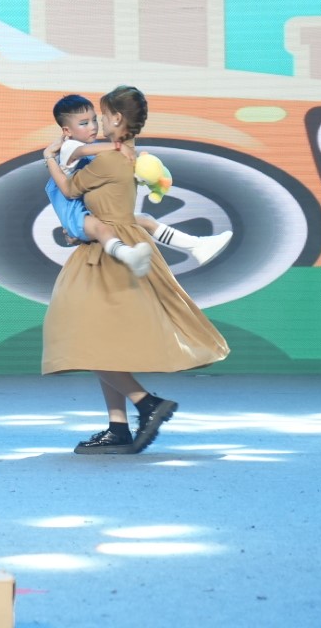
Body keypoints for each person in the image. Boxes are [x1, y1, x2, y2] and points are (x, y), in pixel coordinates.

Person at [41, 86, 230, 454]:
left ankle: (146, 403)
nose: (96, 123)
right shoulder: (128, 157)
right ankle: (118, 426)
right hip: (108, 244)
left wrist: (49, 158)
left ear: (115, 118)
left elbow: (69, 189)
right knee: (104, 341)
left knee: (79, 335)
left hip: (106, 256)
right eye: (88, 120)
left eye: (100, 116)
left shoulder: (108, 160)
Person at [45, 94, 231, 276]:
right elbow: (80, 159)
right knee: (101, 229)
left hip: (86, 207)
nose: (94, 126)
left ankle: (197, 245)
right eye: (84, 123)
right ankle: (128, 255)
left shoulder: (101, 155)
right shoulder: (71, 146)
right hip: (72, 208)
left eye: (95, 119)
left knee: (145, 219)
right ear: (67, 131)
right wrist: (117, 146)